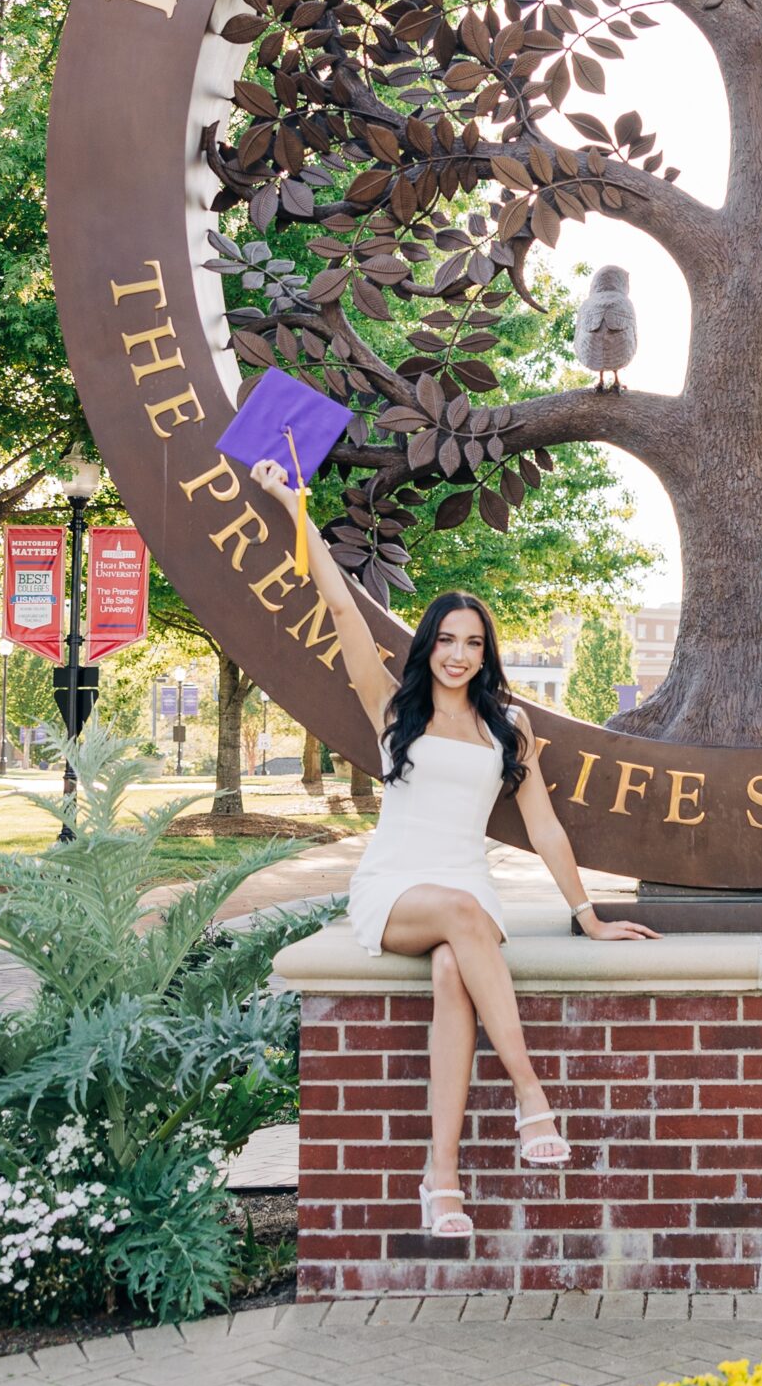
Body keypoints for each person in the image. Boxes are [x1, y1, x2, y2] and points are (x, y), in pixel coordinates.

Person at [249, 459, 657, 1242]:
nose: (458, 654)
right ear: (428, 646)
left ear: (486, 652)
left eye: (473, 642)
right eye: (445, 639)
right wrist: (290, 504)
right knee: (461, 919)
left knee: (452, 967)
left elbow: (543, 827)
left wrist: (589, 916)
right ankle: (532, 1098)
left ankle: (441, 1178)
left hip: (467, 897)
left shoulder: (510, 728)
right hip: (397, 889)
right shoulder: (390, 712)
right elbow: (340, 608)